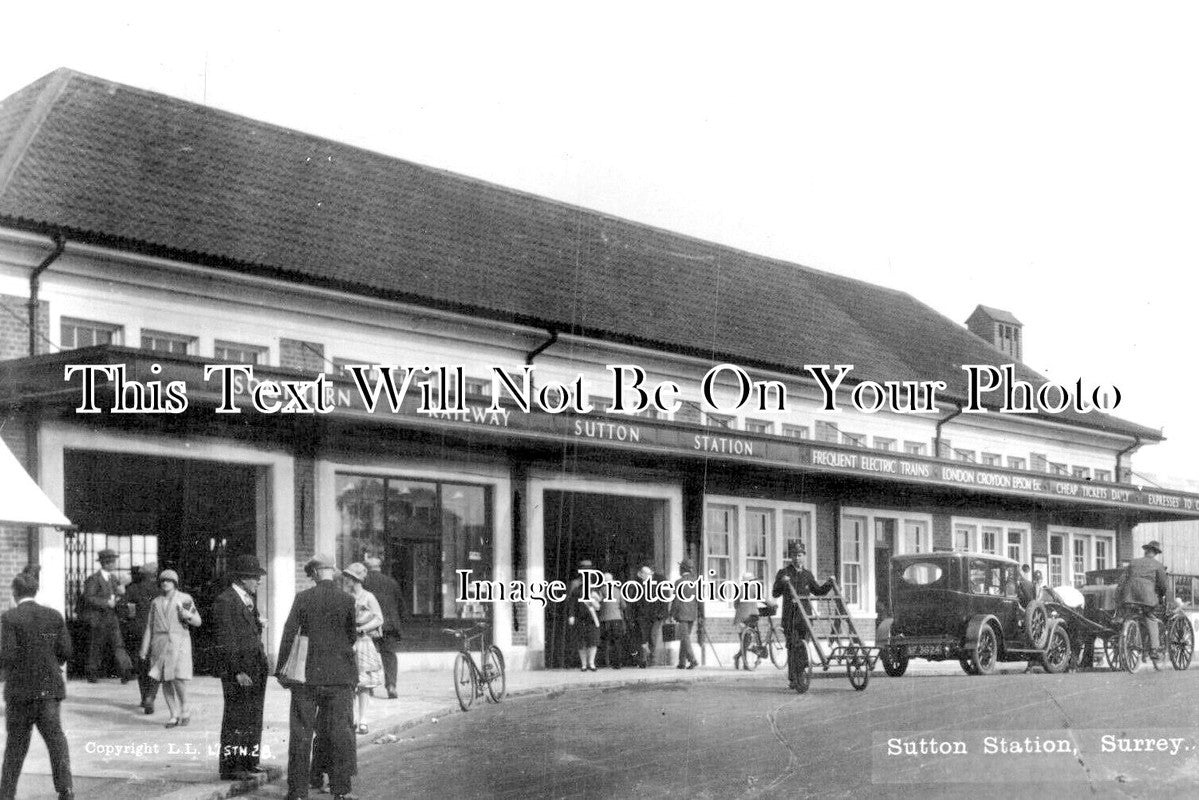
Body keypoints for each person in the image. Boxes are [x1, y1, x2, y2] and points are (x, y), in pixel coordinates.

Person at [277, 554, 357, 800]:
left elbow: (289, 633)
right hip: (340, 677)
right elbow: (351, 636)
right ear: (331, 571)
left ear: (313, 574)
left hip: (306, 678)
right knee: (338, 734)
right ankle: (340, 791)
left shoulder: (303, 598)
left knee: (300, 734)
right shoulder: (347, 599)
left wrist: (281, 669)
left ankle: (298, 793)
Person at [0, 568, 73, 800]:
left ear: (14, 593)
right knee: (56, 741)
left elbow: (7, 655)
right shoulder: (54, 615)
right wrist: (50, 663)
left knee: (15, 747)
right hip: (49, 689)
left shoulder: (9, 618)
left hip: (20, 692)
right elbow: (66, 651)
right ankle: (66, 789)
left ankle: (6, 794)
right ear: (36, 590)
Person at [212, 554, 269, 781]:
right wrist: (237, 670)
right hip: (240, 670)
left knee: (253, 715)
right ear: (243, 579)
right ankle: (231, 767)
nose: (258, 582)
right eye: (255, 578)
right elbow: (226, 640)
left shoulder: (247, 599)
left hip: (255, 666)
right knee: (236, 716)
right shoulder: (226, 601)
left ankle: (249, 762)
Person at [139, 569, 201, 727]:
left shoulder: (185, 598)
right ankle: (173, 714)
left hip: (179, 642)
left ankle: (185, 707)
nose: (165, 583)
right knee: (165, 680)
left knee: (178, 677)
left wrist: (188, 615)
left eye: (169, 580)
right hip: (159, 643)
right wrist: (144, 648)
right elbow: (149, 626)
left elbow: (197, 621)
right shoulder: (156, 602)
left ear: (175, 583)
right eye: (163, 580)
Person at [772, 542, 834, 690]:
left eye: (799, 555)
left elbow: (818, 591)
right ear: (790, 556)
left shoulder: (807, 574)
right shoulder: (784, 572)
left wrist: (829, 583)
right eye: (794, 555)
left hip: (806, 616)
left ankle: (800, 674)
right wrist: (782, 583)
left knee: (803, 646)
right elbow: (775, 593)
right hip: (790, 617)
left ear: (804, 556)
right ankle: (794, 678)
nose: (797, 558)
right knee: (793, 646)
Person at [341, 562, 384, 735]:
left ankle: (363, 719)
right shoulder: (345, 596)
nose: (346, 580)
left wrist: (363, 628)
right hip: (347, 641)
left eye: (349, 578)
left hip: (364, 641)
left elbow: (379, 618)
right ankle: (350, 718)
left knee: (364, 683)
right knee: (349, 682)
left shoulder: (368, 597)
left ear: (356, 579)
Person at [82, 548, 132, 683]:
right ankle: (92, 673)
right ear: (107, 563)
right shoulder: (93, 579)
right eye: (113, 561)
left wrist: (121, 593)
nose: (114, 564)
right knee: (96, 646)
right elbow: (88, 598)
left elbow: (118, 597)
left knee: (118, 644)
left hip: (112, 617)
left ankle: (126, 671)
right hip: (98, 618)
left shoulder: (114, 578)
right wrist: (106, 603)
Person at [1117, 540, 1170, 659]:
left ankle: (1128, 635)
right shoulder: (1158, 565)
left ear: (1145, 551)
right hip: (1147, 598)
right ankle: (1154, 650)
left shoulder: (1133, 562)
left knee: (1129, 617)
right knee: (1151, 618)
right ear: (1155, 553)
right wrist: (1161, 596)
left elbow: (1122, 580)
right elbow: (1163, 585)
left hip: (1129, 596)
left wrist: (1120, 597)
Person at [362, 556, 401, 699]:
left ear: (367, 568)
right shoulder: (391, 582)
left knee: (367, 655)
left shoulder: (363, 582)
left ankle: (369, 687)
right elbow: (400, 605)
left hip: (369, 625)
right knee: (389, 656)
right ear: (380, 567)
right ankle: (391, 686)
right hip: (389, 626)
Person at [125, 562, 161, 713]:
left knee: (141, 664)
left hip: (138, 631)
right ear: (155, 575)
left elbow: (124, 608)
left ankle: (144, 696)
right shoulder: (161, 591)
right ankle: (150, 697)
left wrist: (130, 621)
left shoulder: (132, 589)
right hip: (157, 631)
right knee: (156, 665)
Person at [567, 560, 600, 671]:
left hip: (592, 618)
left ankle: (591, 663)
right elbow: (572, 603)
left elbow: (599, 605)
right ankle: (584, 664)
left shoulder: (594, 587)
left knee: (593, 642)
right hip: (580, 618)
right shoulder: (576, 588)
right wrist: (571, 615)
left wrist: (595, 600)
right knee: (581, 643)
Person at [671, 560, 699, 670]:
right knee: (685, 638)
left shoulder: (678, 582)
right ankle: (681, 662)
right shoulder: (695, 582)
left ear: (683, 569)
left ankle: (693, 660)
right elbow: (699, 600)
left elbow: (676, 600)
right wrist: (700, 614)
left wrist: (672, 613)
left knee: (685, 638)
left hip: (682, 613)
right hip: (692, 613)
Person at [629, 565, 657, 668]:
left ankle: (645, 659)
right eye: (647, 574)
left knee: (645, 638)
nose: (649, 576)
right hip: (640, 616)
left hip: (648, 617)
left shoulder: (651, 585)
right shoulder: (636, 585)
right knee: (642, 638)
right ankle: (643, 659)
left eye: (650, 574)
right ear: (641, 574)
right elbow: (633, 602)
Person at [597, 573, 626, 669]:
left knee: (605, 642)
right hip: (617, 619)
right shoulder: (618, 591)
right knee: (617, 642)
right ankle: (617, 663)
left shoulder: (600, 590)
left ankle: (605, 662)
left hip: (604, 619)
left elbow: (598, 605)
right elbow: (623, 605)